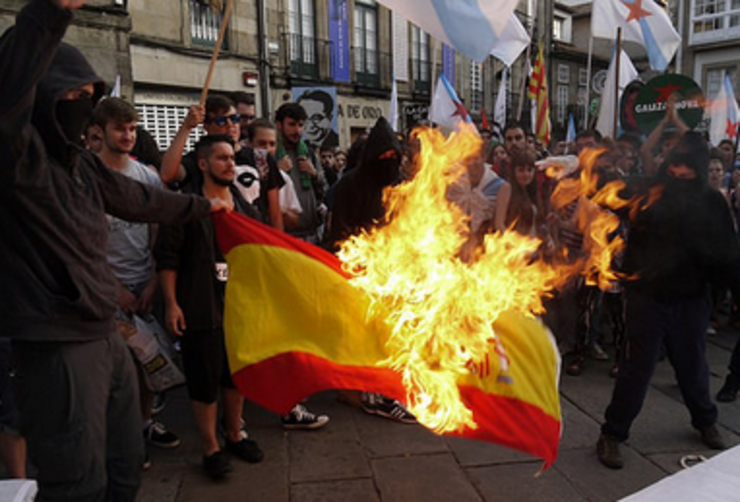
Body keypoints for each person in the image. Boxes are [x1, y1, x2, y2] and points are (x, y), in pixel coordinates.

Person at [0, 1, 231, 499]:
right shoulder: (18, 160)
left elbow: (138, 197)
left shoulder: (80, 164)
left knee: (126, 459)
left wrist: (198, 207)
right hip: (56, 342)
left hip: (103, 330)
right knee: (76, 477)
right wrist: (49, 13)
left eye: (90, 96)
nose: (82, 104)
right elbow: (7, 96)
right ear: (40, 97)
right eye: (72, 95)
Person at [597, 132, 740, 469]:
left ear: (700, 168)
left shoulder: (712, 202)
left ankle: (705, 420)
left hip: (691, 299)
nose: (678, 171)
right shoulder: (649, 190)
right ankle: (612, 433)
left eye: (687, 166)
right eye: (675, 163)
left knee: (693, 365)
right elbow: (609, 193)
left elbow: (729, 253)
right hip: (647, 296)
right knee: (636, 368)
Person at [92, 97, 181, 469]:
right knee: (116, 372)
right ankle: (118, 438)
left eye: (132, 128)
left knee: (150, 364)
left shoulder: (144, 176)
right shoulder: (87, 177)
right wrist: (114, 290)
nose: (128, 135)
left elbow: (158, 228)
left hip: (143, 284)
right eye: (119, 128)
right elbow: (81, 244)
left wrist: (151, 285)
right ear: (99, 132)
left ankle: (144, 425)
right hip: (103, 290)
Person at [324, 117, 416, 423]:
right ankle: (361, 391)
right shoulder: (351, 183)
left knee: (388, 333)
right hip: (357, 269)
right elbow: (340, 229)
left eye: (394, 156)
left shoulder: (401, 184)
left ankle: (382, 389)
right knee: (358, 334)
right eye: (384, 156)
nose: (389, 162)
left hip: (393, 269)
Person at [161, 95, 284, 230]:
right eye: (221, 121)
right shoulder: (199, 158)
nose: (230, 125)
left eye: (234, 119)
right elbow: (168, 174)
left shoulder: (261, 158)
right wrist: (186, 127)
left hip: (253, 235)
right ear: (206, 126)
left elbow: (275, 213)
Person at [275, 102, 325, 243]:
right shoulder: (272, 154)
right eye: (292, 125)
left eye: (300, 125)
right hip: (284, 235)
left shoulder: (308, 153)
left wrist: (314, 174)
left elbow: (323, 190)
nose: (297, 130)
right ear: (279, 125)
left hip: (312, 233)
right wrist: (277, 172)